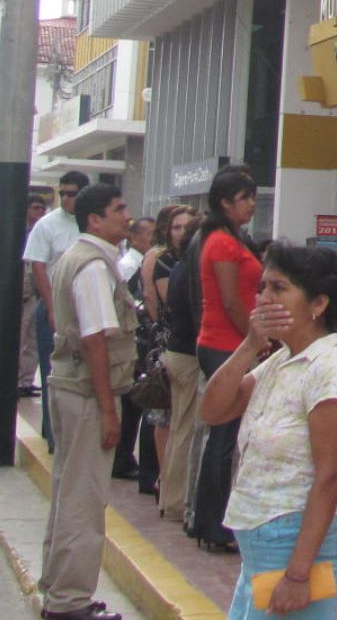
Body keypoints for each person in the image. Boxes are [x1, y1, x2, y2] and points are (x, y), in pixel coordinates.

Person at [201, 245, 337, 620]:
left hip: (292, 552)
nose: (263, 298)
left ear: (318, 304)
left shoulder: (331, 369)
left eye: (279, 288)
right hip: (259, 553)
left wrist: (296, 575)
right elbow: (212, 410)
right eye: (262, 287)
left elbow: (329, 477)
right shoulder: (282, 359)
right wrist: (249, 346)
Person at [37, 182, 135, 620]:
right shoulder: (93, 265)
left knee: (67, 492)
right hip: (87, 394)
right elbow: (96, 340)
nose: (126, 216)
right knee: (83, 499)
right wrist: (109, 409)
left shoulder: (78, 258)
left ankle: (59, 589)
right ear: (95, 219)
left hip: (70, 387)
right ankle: (70, 601)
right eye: (118, 209)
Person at [192, 166, 263, 552]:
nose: (251, 204)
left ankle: (212, 522)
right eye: (244, 198)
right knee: (222, 438)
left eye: (252, 197)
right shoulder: (220, 242)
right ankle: (213, 524)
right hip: (224, 344)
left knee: (224, 439)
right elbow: (231, 300)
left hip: (231, 344)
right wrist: (255, 342)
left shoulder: (230, 238)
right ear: (224, 203)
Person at [26, 171, 92, 446]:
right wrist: (53, 306)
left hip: (88, 306)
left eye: (72, 193)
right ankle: (54, 436)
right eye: (62, 193)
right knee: (53, 372)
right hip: (55, 306)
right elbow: (37, 266)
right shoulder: (47, 225)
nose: (66, 198)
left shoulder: (93, 222)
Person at [136, 205, 192, 504]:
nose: (182, 232)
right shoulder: (162, 261)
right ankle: (162, 478)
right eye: (176, 227)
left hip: (187, 345)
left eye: (187, 226)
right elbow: (161, 307)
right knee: (162, 414)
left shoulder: (193, 258)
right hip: (169, 343)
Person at [160, 214, 205, 526]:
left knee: (179, 428)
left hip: (177, 353)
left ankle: (171, 498)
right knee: (186, 429)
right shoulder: (191, 271)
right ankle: (176, 502)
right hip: (188, 356)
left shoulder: (179, 267)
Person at [113, 216, 156, 484]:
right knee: (130, 405)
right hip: (132, 343)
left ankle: (124, 457)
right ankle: (122, 458)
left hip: (136, 344)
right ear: (135, 238)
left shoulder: (140, 263)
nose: (155, 239)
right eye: (150, 234)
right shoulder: (130, 267)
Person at [21, 197, 49, 398]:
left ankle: (25, 380)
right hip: (24, 293)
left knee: (33, 341)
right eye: (36, 207)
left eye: (43, 208)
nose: (40, 211)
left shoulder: (43, 232)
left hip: (37, 294)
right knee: (20, 338)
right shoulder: (21, 233)